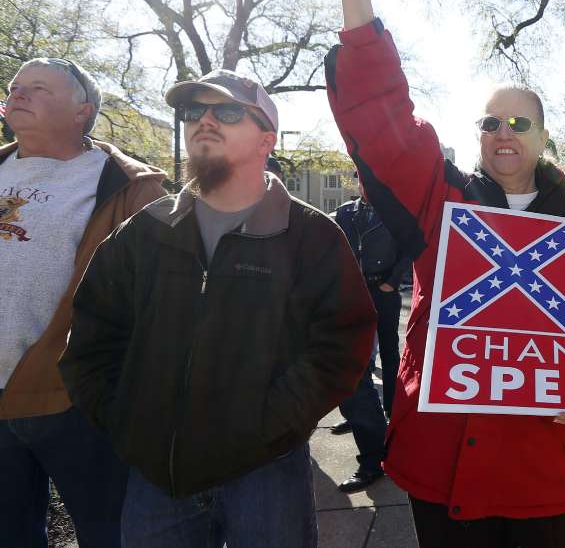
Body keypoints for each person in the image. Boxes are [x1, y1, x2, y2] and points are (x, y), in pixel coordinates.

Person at [320, 0, 565, 547]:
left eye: (520, 123)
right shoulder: (439, 200)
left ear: (544, 136)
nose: (503, 133)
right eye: (489, 122)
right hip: (444, 461)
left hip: (548, 467)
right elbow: (387, 122)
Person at [59, 69, 376, 547]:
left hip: (264, 470)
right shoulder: (147, 229)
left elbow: (342, 345)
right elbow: (92, 333)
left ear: (266, 138)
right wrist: (128, 421)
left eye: (226, 111)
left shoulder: (311, 235)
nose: (204, 121)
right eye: (193, 111)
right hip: (156, 475)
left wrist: (269, 424)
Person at [0, 58, 166, 547]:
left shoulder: (132, 188)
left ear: (82, 112)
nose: (19, 93)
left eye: (38, 88)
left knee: (112, 534)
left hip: (76, 403)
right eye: (15, 86)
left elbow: (158, 301)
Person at [329, 176, 413, 492]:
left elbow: (408, 248)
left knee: (389, 350)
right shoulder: (345, 212)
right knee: (357, 358)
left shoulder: (394, 212)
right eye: (362, 181)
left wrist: (393, 280)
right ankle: (365, 418)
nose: (367, 187)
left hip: (383, 289)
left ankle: (391, 409)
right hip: (353, 289)